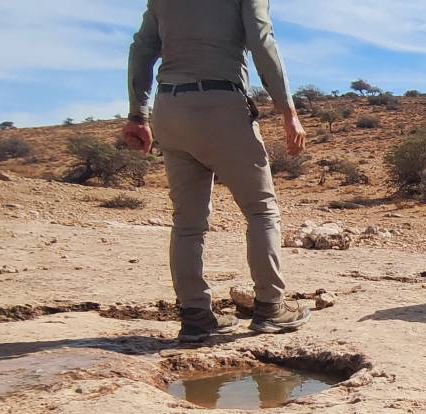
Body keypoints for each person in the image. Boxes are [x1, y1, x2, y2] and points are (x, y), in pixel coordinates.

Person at [123, 0, 313, 342]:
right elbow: (261, 41)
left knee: (187, 222)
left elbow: (142, 48)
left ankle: (196, 317)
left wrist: (137, 113)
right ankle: (271, 308)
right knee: (261, 210)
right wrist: (288, 111)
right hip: (221, 103)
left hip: (169, 108)